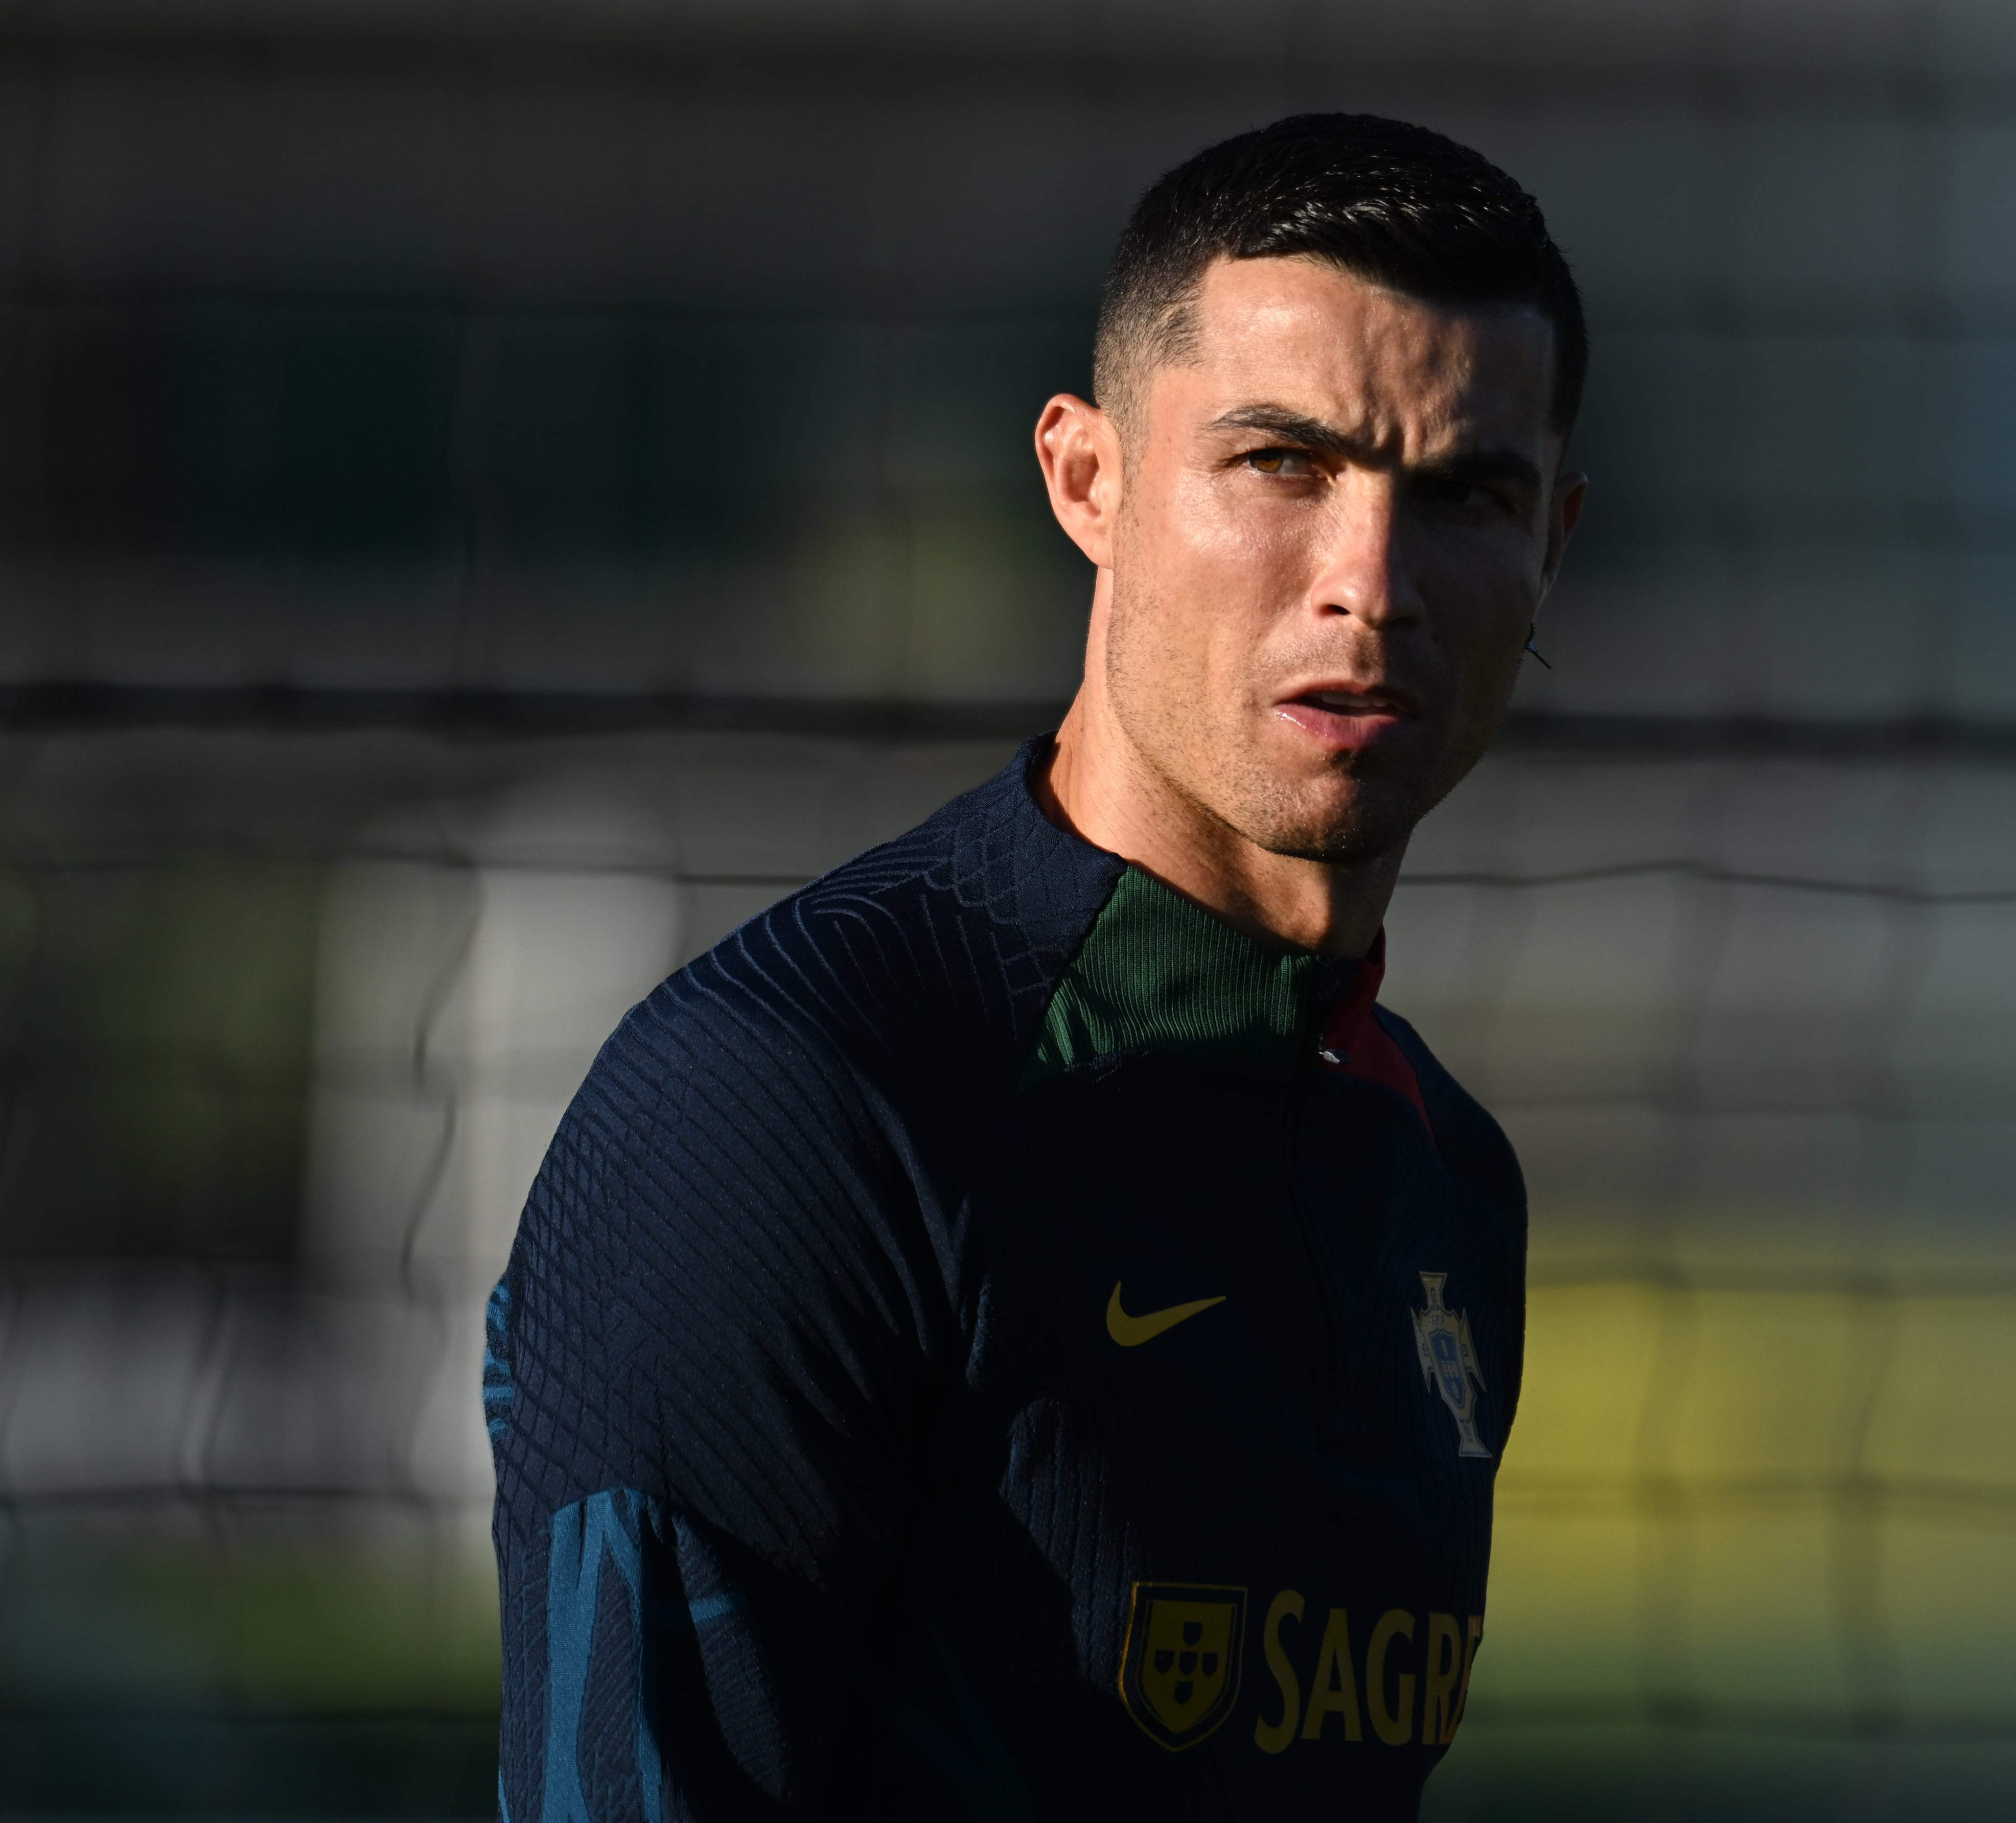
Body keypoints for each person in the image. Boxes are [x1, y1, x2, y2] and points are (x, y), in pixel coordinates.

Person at [483, 112, 1587, 1820]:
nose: (1370, 585)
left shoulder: (1448, 1181)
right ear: (1090, 481)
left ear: (1551, 549)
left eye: (1464, 495)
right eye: (1281, 464)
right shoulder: (787, 1113)